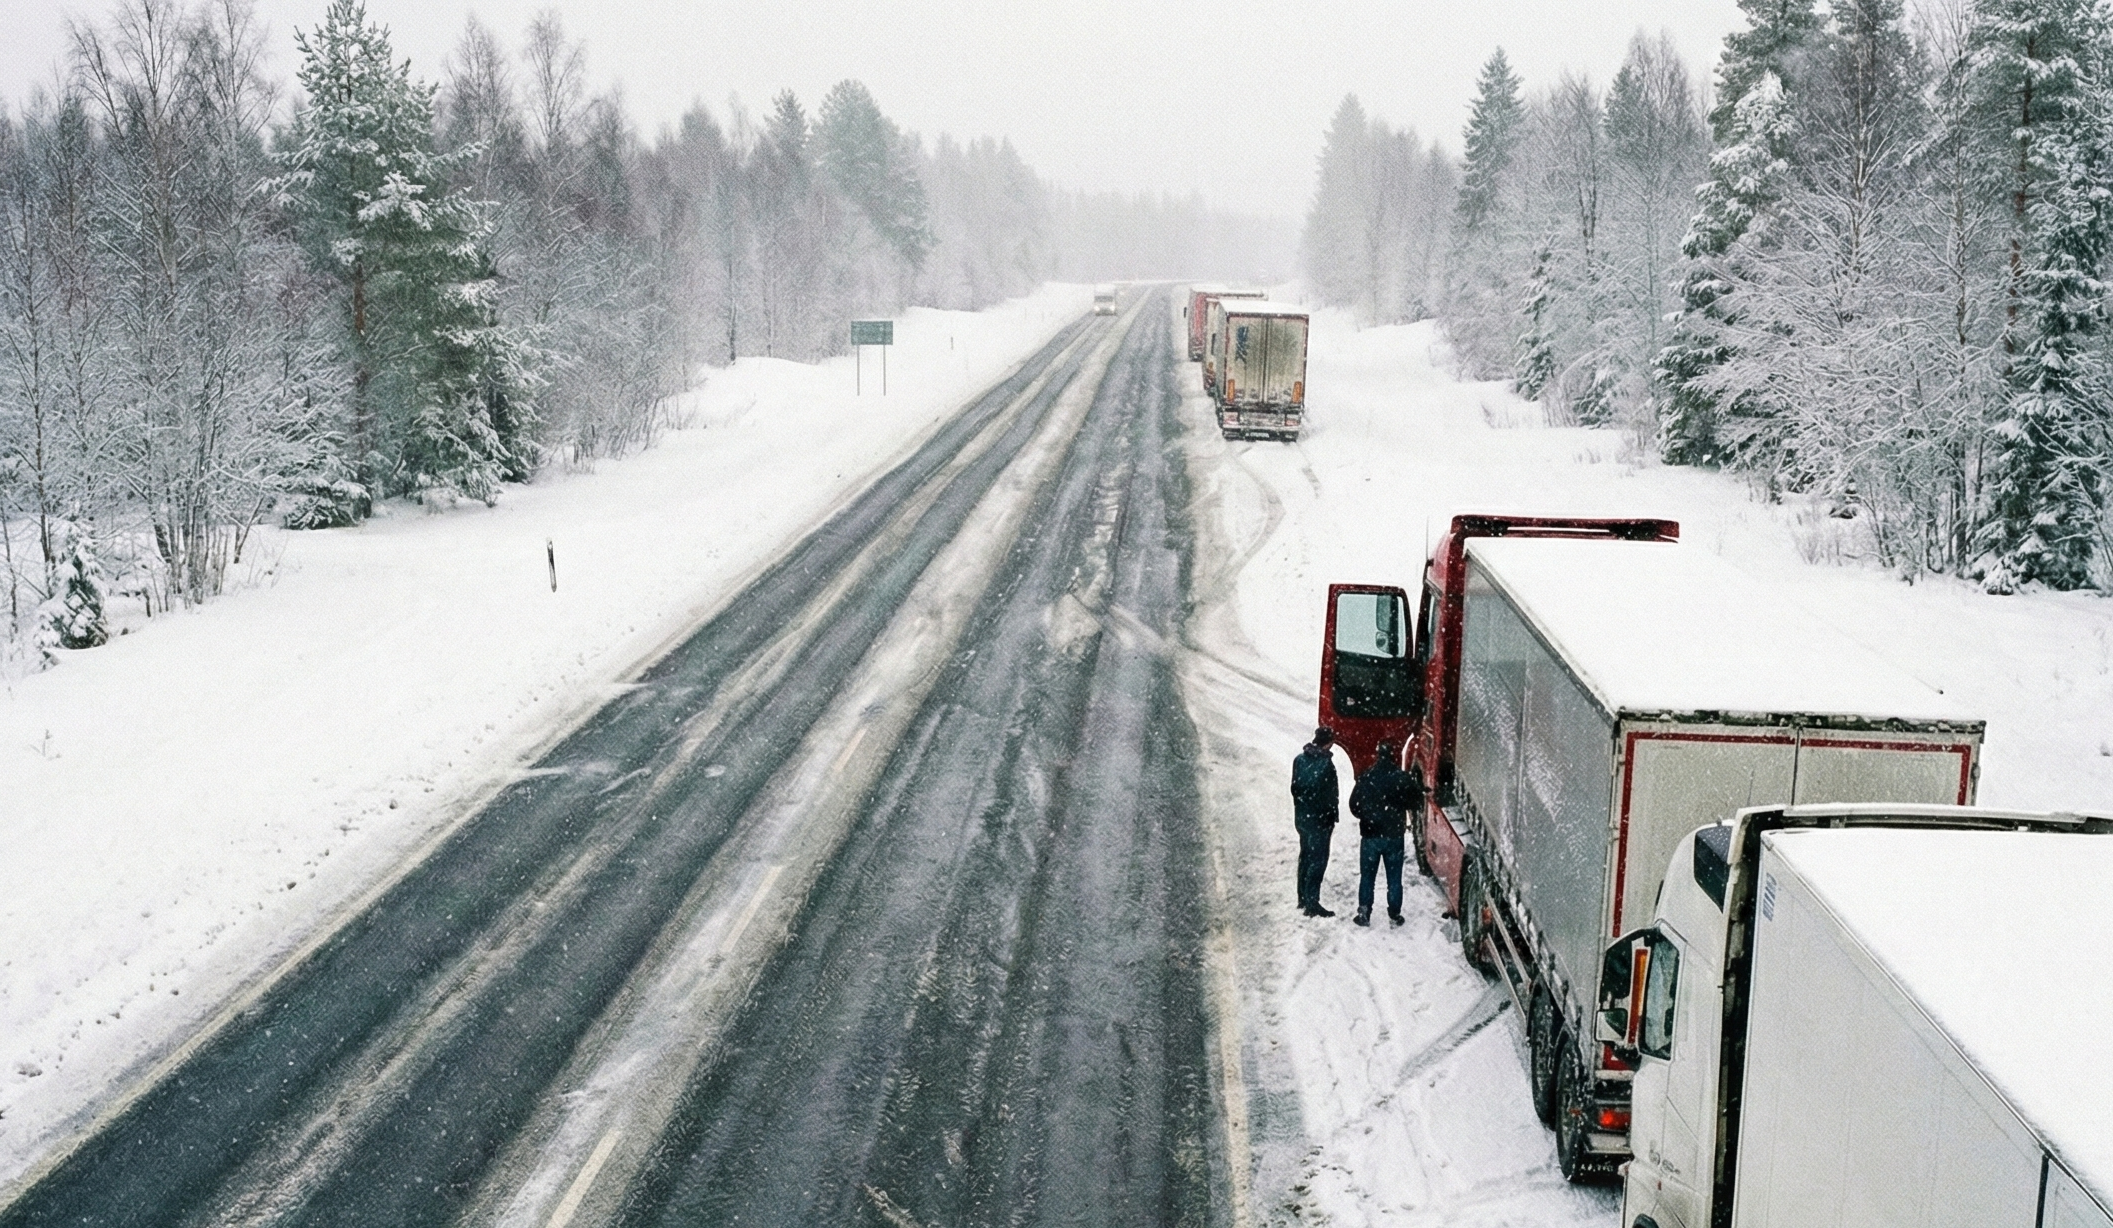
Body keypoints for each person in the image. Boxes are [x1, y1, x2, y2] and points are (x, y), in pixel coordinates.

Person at [1347, 741, 1424, 927]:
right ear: (1393, 755)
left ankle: (1364, 913)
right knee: (1394, 878)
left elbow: (1353, 806)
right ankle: (1395, 914)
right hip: (1394, 835)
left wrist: (1368, 816)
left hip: (1370, 835)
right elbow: (1416, 803)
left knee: (1367, 877)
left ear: (1377, 755)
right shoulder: (1402, 778)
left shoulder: (1366, 777)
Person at [1289, 727, 1340, 917]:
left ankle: (1302, 898)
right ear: (1329, 742)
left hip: (1303, 817)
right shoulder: (1326, 765)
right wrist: (1330, 816)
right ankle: (1312, 902)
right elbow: (1330, 796)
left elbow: (1295, 789)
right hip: (1319, 820)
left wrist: (1303, 809)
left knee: (1305, 856)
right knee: (1318, 860)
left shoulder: (1299, 760)